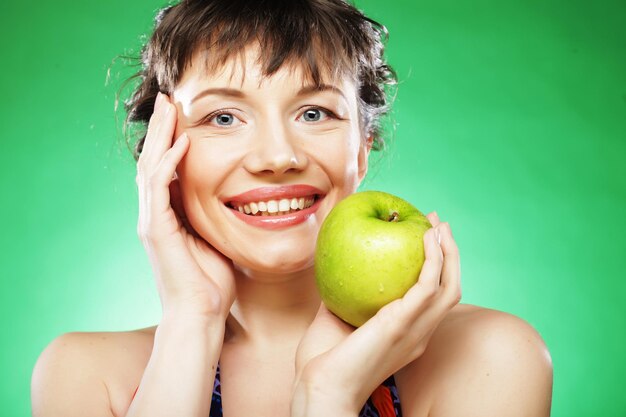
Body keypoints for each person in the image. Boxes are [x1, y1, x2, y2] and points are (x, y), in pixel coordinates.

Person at [31, 1, 553, 416]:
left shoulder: (487, 358)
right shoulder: (85, 376)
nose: (277, 157)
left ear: (363, 146)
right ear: (162, 153)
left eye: (313, 111)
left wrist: (327, 397)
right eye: (223, 118)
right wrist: (193, 321)